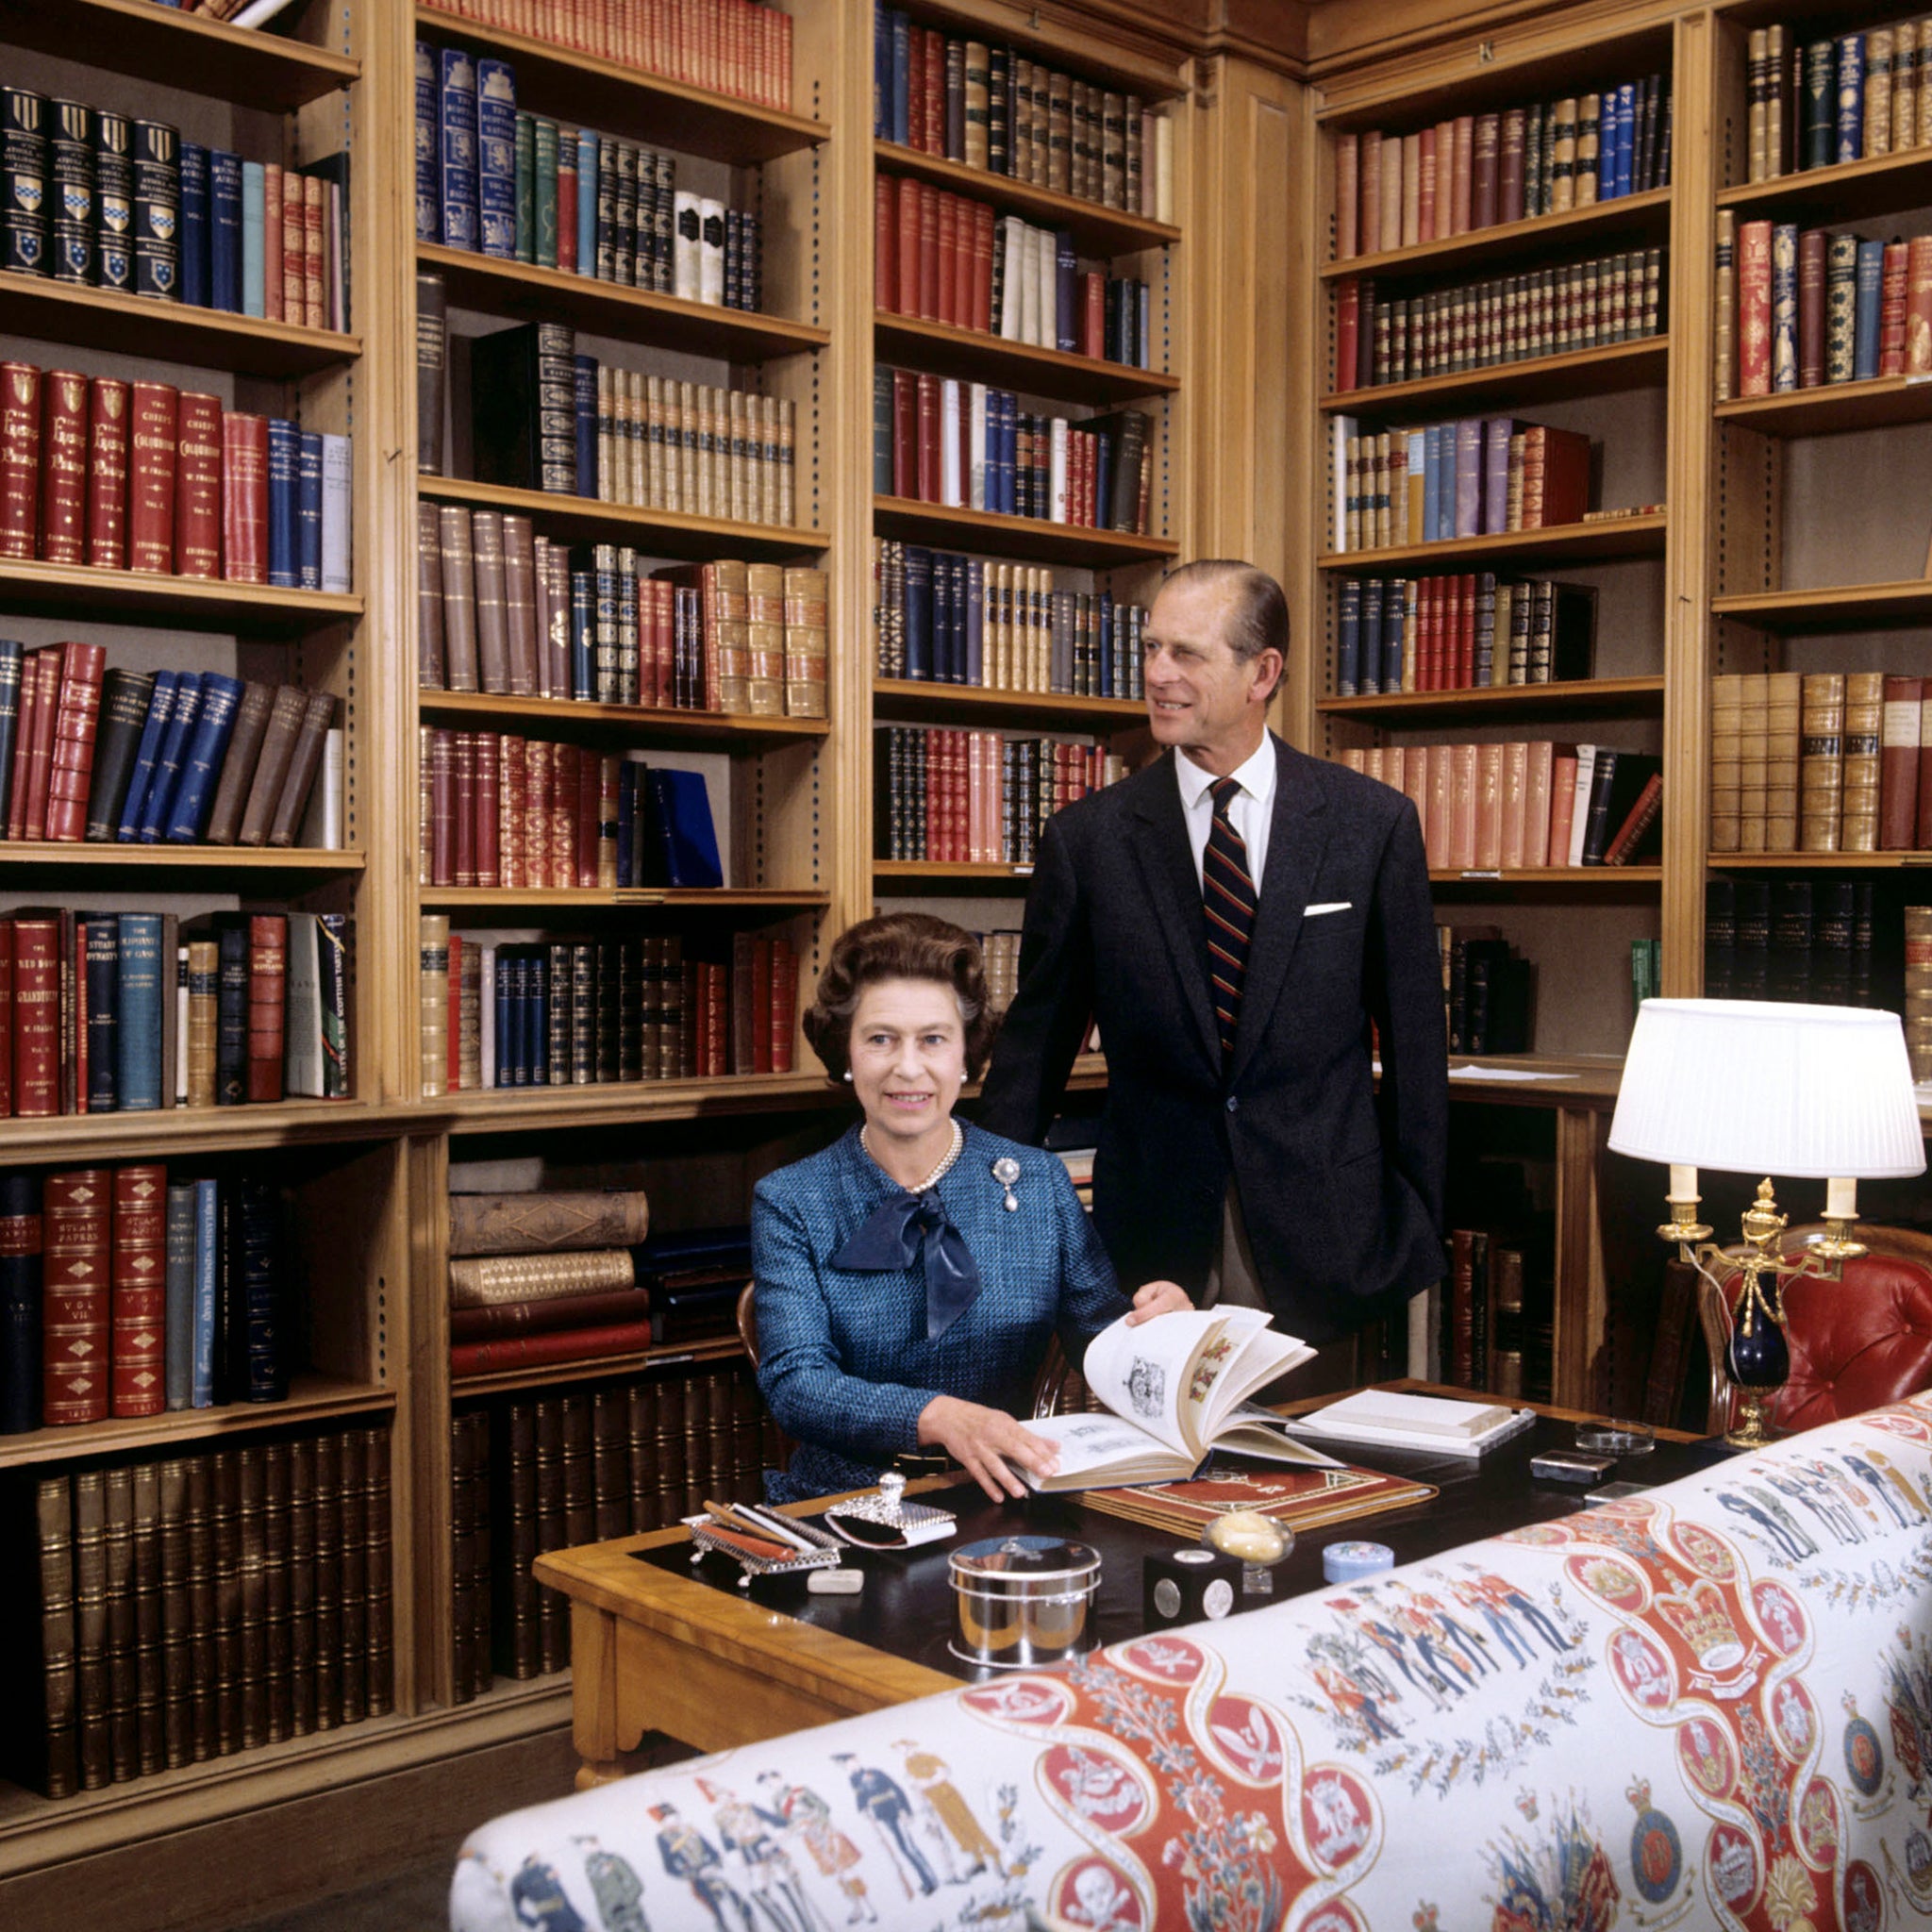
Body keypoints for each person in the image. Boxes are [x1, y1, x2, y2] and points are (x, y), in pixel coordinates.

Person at [977, 558, 1446, 1351]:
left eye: (1186, 653)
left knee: (1324, 1474)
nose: (1158, 674)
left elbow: (1415, 1050)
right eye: (1152, 649)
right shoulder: (1088, 841)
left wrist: (1418, 1222)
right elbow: (1035, 1053)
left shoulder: (1371, 824)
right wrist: (988, 1220)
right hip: (1151, 1243)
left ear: (1263, 671)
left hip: (1332, 1241)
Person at [751, 912, 1190, 1503]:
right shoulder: (792, 1200)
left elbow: (1104, 1343)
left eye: (933, 1039)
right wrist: (937, 1417)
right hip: (845, 1504)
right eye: (881, 1039)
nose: (909, 1067)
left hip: (1007, 1494)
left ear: (966, 1054)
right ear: (846, 1052)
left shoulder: (1037, 1181)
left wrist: (1164, 1333)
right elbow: (796, 1384)